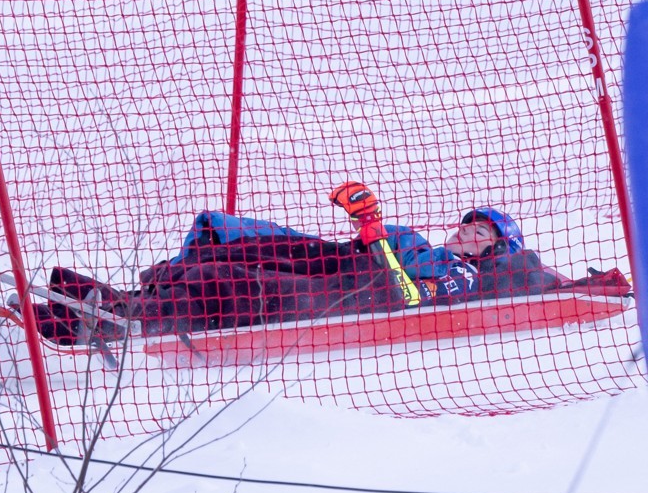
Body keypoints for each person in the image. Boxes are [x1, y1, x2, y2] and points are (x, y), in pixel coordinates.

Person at [33, 183, 602, 343]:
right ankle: (95, 303)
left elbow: (406, 298)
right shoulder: (431, 245)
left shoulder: (464, 276)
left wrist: (375, 232)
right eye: (464, 224)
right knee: (219, 258)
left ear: (496, 248)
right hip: (337, 274)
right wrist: (372, 234)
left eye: (476, 232)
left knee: (225, 283)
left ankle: (110, 320)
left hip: (341, 303)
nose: (461, 233)